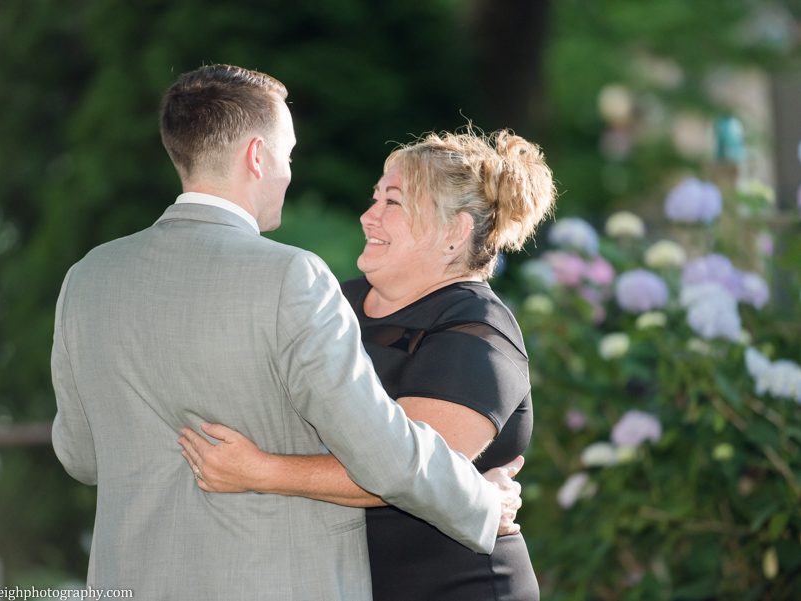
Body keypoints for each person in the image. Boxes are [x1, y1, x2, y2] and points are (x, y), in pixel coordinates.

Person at [51, 64, 523, 600]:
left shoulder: (87, 277)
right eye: (289, 155)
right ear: (257, 157)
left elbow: (79, 456)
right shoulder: (291, 278)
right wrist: (482, 503)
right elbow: (381, 452)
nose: (289, 172)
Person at [179, 127, 556, 600]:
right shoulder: (334, 301)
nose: (367, 216)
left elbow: (407, 472)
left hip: (456, 586)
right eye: (374, 198)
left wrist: (260, 470)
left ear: (454, 231)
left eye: (392, 203)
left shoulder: (478, 333)